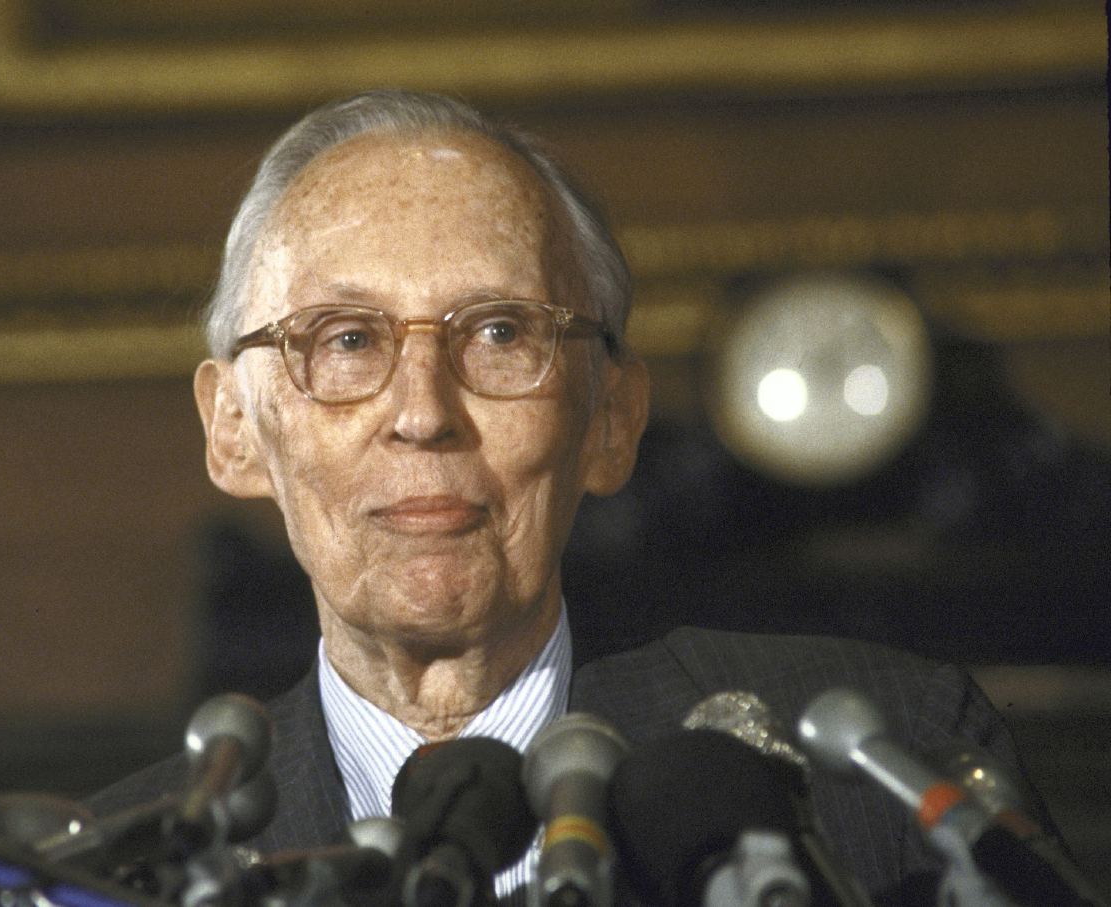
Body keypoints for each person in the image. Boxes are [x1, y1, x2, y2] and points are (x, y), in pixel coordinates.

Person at [90, 90, 1048, 906]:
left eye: (501, 333)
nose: (423, 413)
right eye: (346, 340)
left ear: (610, 420)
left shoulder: (885, 760)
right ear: (232, 428)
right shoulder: (134, 873)